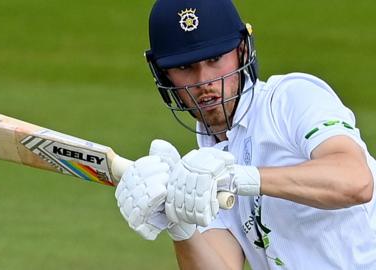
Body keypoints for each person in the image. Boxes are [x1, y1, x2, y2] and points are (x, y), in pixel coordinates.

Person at [114, 0, 376, 269]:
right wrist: (180, 225)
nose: (205, 81)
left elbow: (356, 181)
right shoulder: (204, 164)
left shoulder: (290, 99)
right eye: (185, 67)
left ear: (241, 51)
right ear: (164, 75)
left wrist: (239, 178)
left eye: (215, 59)